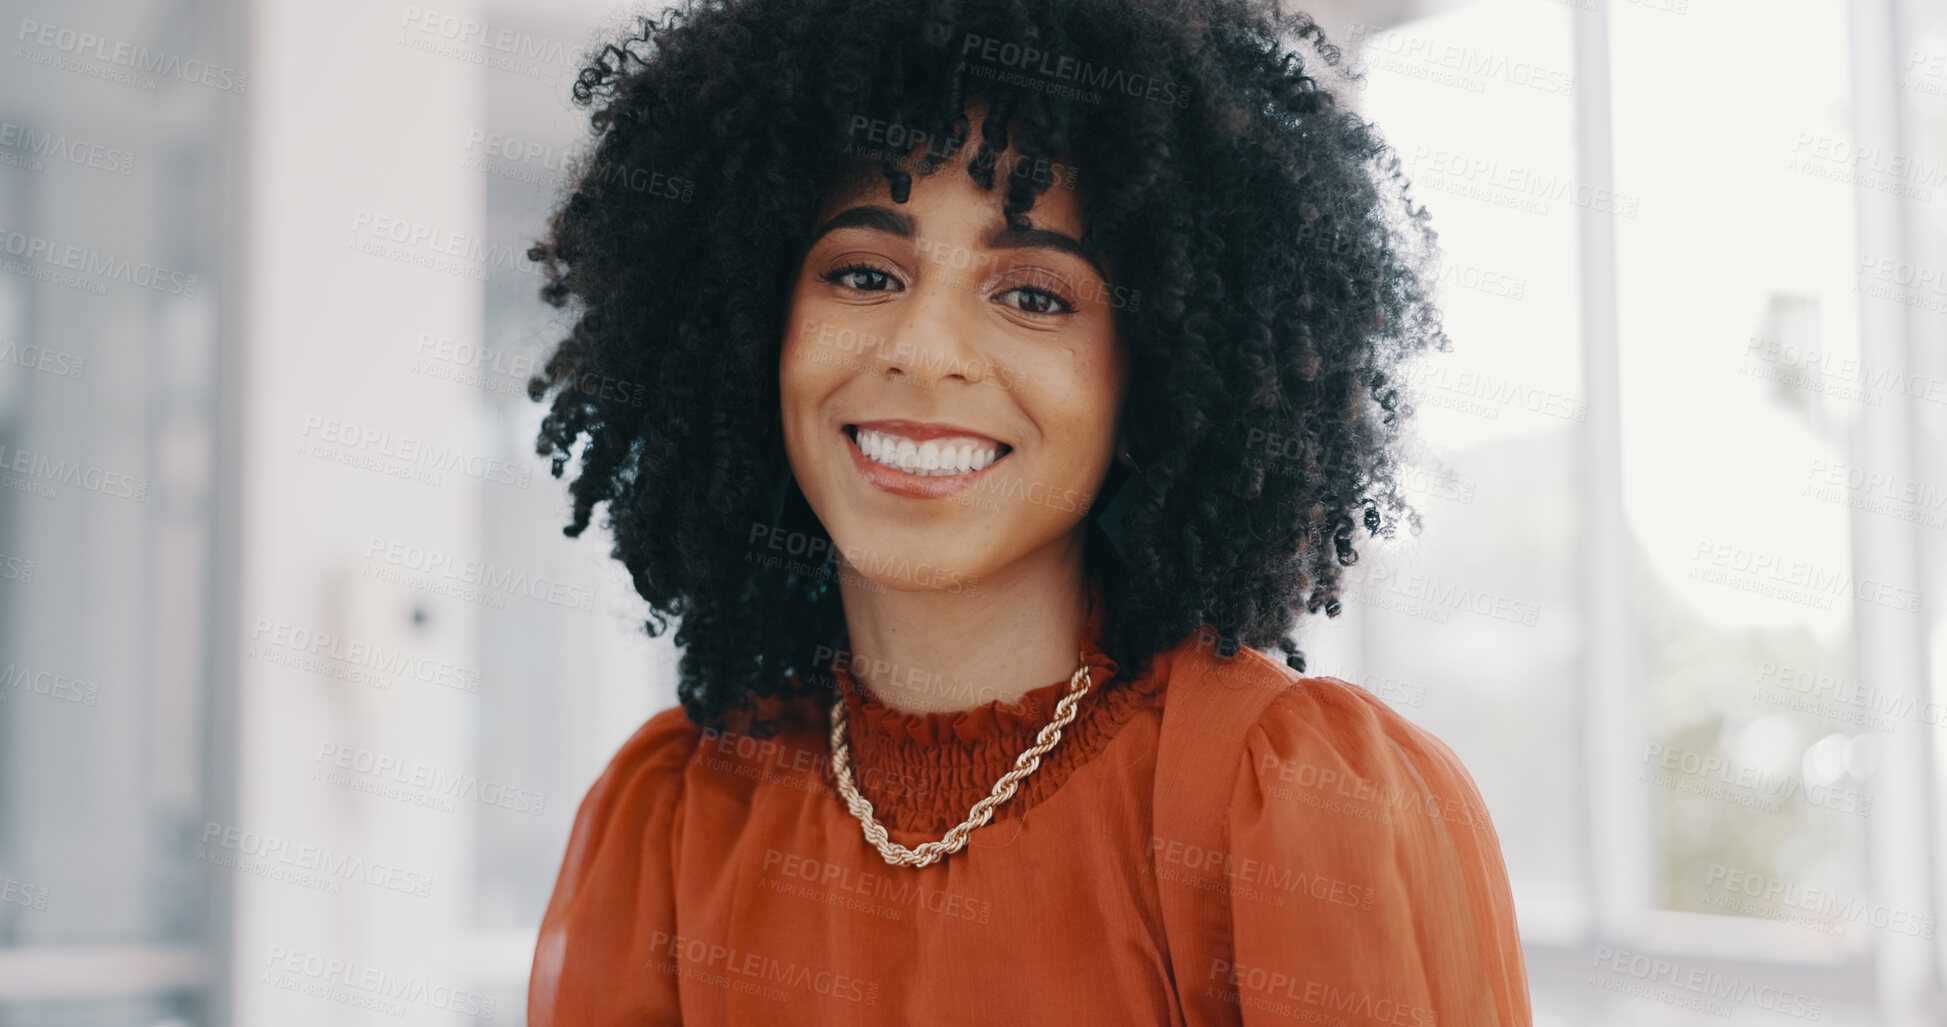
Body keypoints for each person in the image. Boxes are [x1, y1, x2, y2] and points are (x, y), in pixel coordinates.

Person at [521, 0, 1531, 1022]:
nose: (924, 349)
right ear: (749, 336)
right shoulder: (673, 819)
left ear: (1154, 387)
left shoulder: (1282, 806)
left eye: (1035, 296)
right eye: (864, 273)